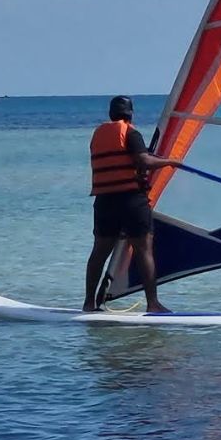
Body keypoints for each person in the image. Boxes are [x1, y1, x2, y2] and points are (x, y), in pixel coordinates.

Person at [82, 96, 180, 312]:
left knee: (99, 252)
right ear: (130, 114)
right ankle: (153, 304)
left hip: (105, 201)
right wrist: (169, 162)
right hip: (130, 200)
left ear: (111, 113)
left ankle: (89, 303)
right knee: (143, 250)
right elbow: (144, 161)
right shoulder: (130, 133)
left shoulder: (97, 134)